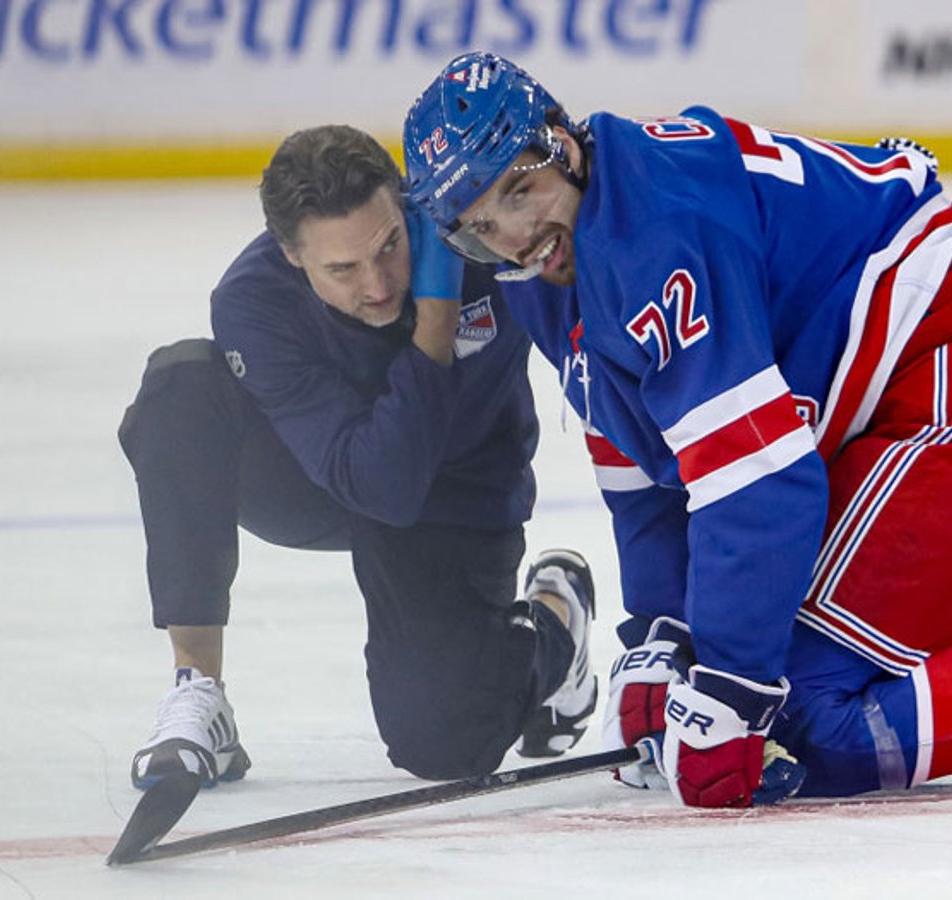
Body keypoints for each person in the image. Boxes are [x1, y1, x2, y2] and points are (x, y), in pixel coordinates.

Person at [400, 53, 952, 808]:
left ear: (561, 145)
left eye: (522, 192)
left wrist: (732, 688)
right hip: (908, 396)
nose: (518, 238)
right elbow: (644, 466)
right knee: (756, 695)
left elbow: (756, 484)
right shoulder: (559, 255)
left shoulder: (655, 236)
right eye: (481, 228)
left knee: (793, 718)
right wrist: (663, 633)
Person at [118, 124, 598, 791]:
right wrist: (434, 325)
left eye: (391, 247)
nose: (377, 286)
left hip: (458, 493)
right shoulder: (254, 301)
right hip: (336, 475)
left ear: (406, 207)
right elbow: (378, 487)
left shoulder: (480, 236)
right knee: (181, 387)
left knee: (444, 743)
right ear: (291, 256)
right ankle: (198, 691)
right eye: (341, 269)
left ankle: (555, 618)